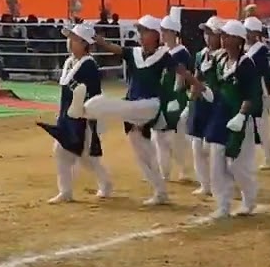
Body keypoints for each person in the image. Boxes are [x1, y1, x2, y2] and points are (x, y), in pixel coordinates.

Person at [84, 15, 203, 206]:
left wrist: (198, 85)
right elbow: (116, 49)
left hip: (150, 105)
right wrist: (99, 41)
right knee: (142, 152)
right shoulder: (134, 53)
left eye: (144, 31)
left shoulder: (163, 55)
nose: (140, 35)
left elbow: (182, 71)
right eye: (139, 31)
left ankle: (94, 108)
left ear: (156, 35)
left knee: (120, 106)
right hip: (132, 108)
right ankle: (160, 191)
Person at [38, 22, 112, 204]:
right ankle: (66, 191)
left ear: (84, 43)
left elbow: (95, 94)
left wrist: (90, 117)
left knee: (87, 157)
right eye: (70, 38)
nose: (70, 42)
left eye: (74, 39)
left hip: (83, 118)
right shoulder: (70, 62)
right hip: (67, 117)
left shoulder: (89, 65)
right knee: (62, 151)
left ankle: (105, 183)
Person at [206, 20, 263, 218]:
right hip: (219, 116)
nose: (222, 39)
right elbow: (213, 87)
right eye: (222, 35)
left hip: (238, 118)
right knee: (216, 162)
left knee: (238, 165)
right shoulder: (220, 60)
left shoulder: (246, 64)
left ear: (238, 40)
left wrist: (241, 115)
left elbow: (252, 94)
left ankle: (249, 199)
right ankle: (223, 204)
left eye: (227, 36)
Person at [153, 15, 193, 183]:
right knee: (158, 136)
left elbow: (182, 76)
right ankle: (164, 172)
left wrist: (177, 96)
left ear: (173, 32)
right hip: (162, 97)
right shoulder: (162, 51)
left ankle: (183, 168)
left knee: (174, 137)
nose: (162, 34)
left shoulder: (181, 52)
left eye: (165, 31)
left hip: (174, 97)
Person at [186, 16, 223, 196]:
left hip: (216, 105)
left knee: (213, 147)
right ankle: (204, 184)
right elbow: (196, 76)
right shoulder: (201, 54)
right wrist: (190, 101)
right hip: (200, 104)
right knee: (197, 147)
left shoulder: (223, 57)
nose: (207, 37)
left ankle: (220, 181)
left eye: (211, 33)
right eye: (206, 33)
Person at [243, 16, 270, 170]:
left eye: (249, 31)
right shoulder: (244, 48)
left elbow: (265, 75)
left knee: (261, 126)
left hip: (258, 92)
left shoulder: (261, 50)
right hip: (246, 91)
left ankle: (269, 157)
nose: (246, 33)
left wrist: (266, 95)